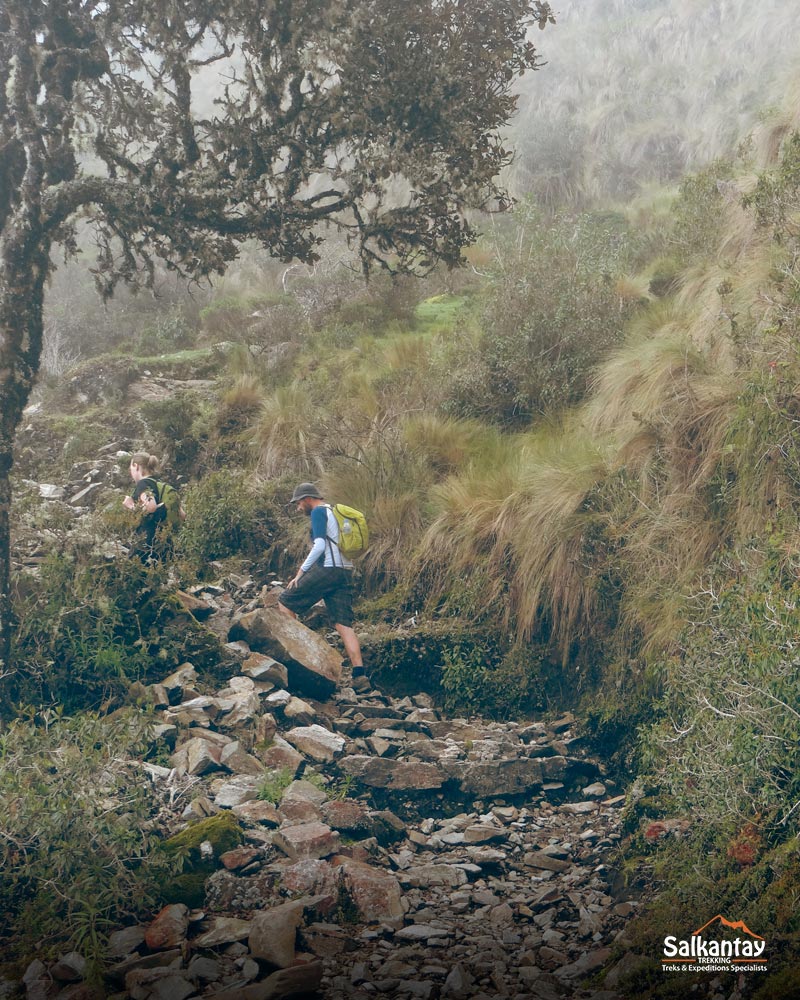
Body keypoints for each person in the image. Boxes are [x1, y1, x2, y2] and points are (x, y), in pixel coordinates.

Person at [278, 482, 371, 693]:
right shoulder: (335, 512)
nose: (298, 508)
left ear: (308, 499)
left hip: (329, 569)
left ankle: (300, 660)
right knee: (343, 624)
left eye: (299, 503)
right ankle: (360, 675)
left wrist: (300, 573)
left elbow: (320, 546)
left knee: (285, 601)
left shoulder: (319, 512)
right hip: (345, 572)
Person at [123, 452, 178, 563]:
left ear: (136, 466)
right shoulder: (161, 485)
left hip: (147, 539)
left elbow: (151, 506)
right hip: (164, 540)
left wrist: (131, 506)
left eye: (131, 469)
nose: (131, 473)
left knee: (132, 574)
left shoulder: (143, 484)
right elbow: (182, 514)